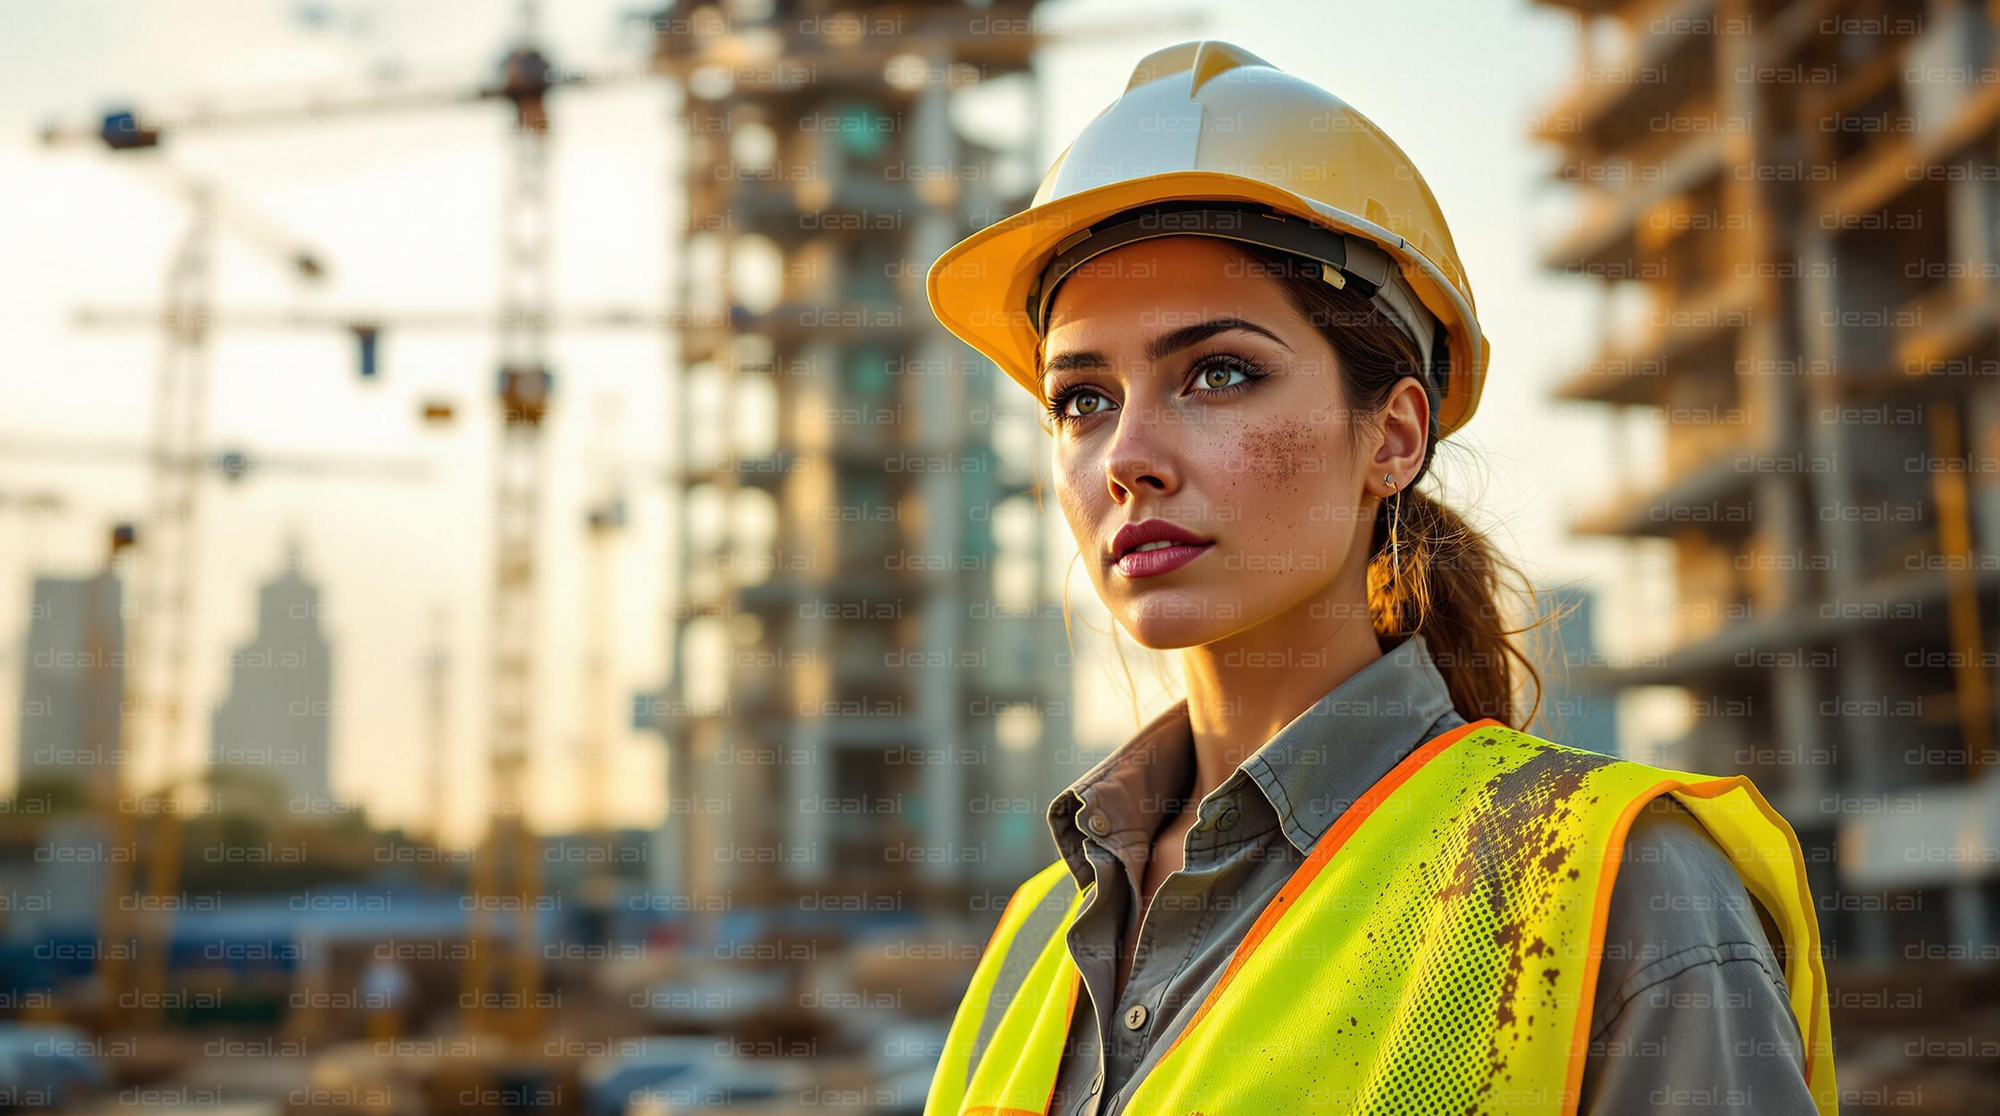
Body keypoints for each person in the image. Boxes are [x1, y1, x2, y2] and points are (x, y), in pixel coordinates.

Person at [920, 41, 1837, 1116]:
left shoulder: (1603, 890)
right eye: (1081, 398)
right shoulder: (1037, 938)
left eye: (1218, 374)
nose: (1126, 455)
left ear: (1392, 437)